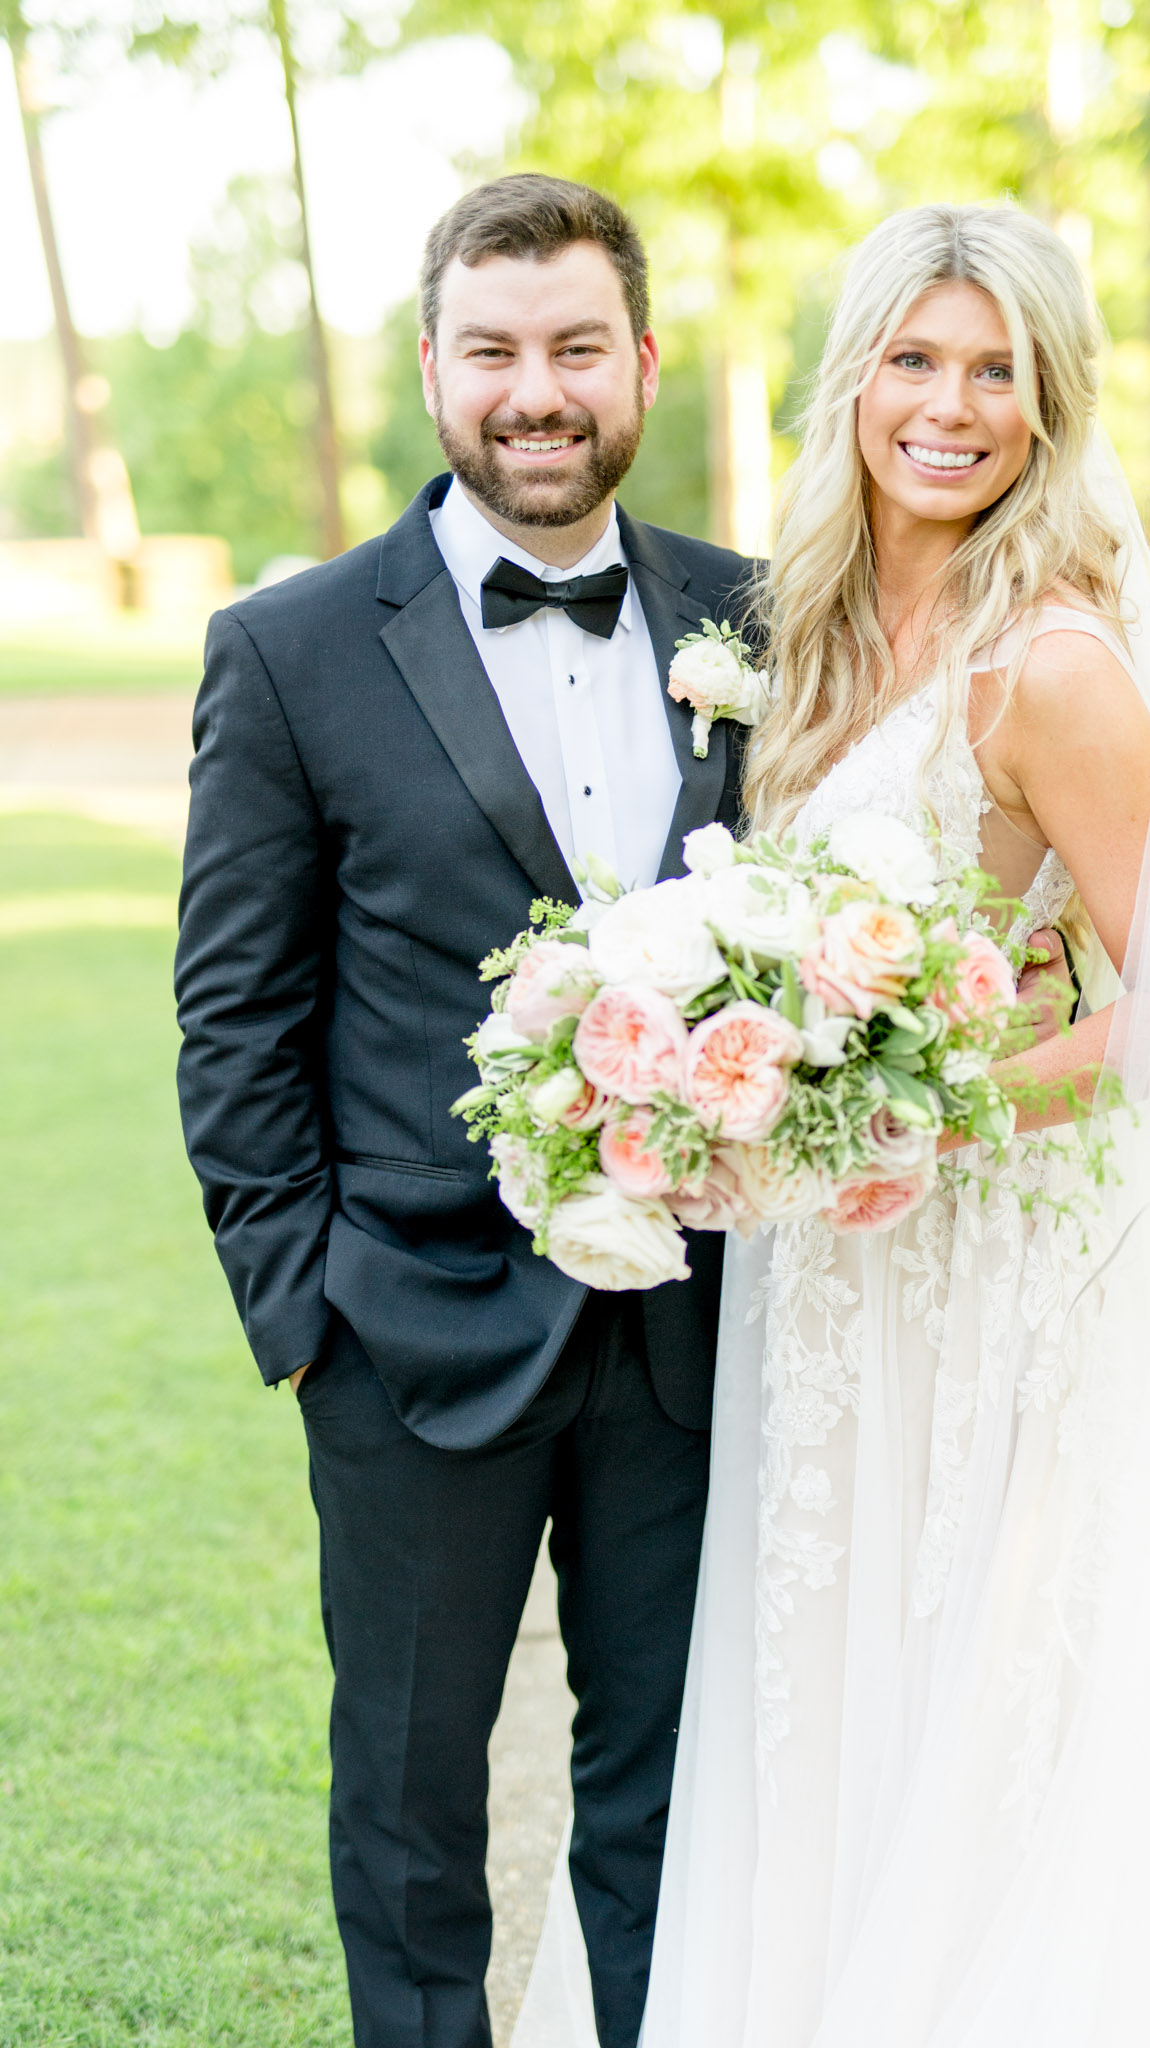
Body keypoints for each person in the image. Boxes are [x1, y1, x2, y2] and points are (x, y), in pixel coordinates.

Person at [515, 203, 1150, 2048]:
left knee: (972, 1688)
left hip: (975, 1267)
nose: (952, 409)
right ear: (857, 379)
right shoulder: (802, 631)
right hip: (824, 1284)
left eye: (998, 372)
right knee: (817, 1674)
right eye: (915, 359)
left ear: (1050, 404)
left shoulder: (1048, 664)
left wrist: (909, 1109)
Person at [174, 173, 758, 2048]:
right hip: (406, 1332)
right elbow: (235, 1014)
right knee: (414, 1813)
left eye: (576, 347)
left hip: (696, 1328)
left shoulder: (755, 618)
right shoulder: (292, 648)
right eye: (493, 349)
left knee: (668, 1796)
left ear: (641, 365)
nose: (536, 390)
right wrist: (304, 1316)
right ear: (432, 368)